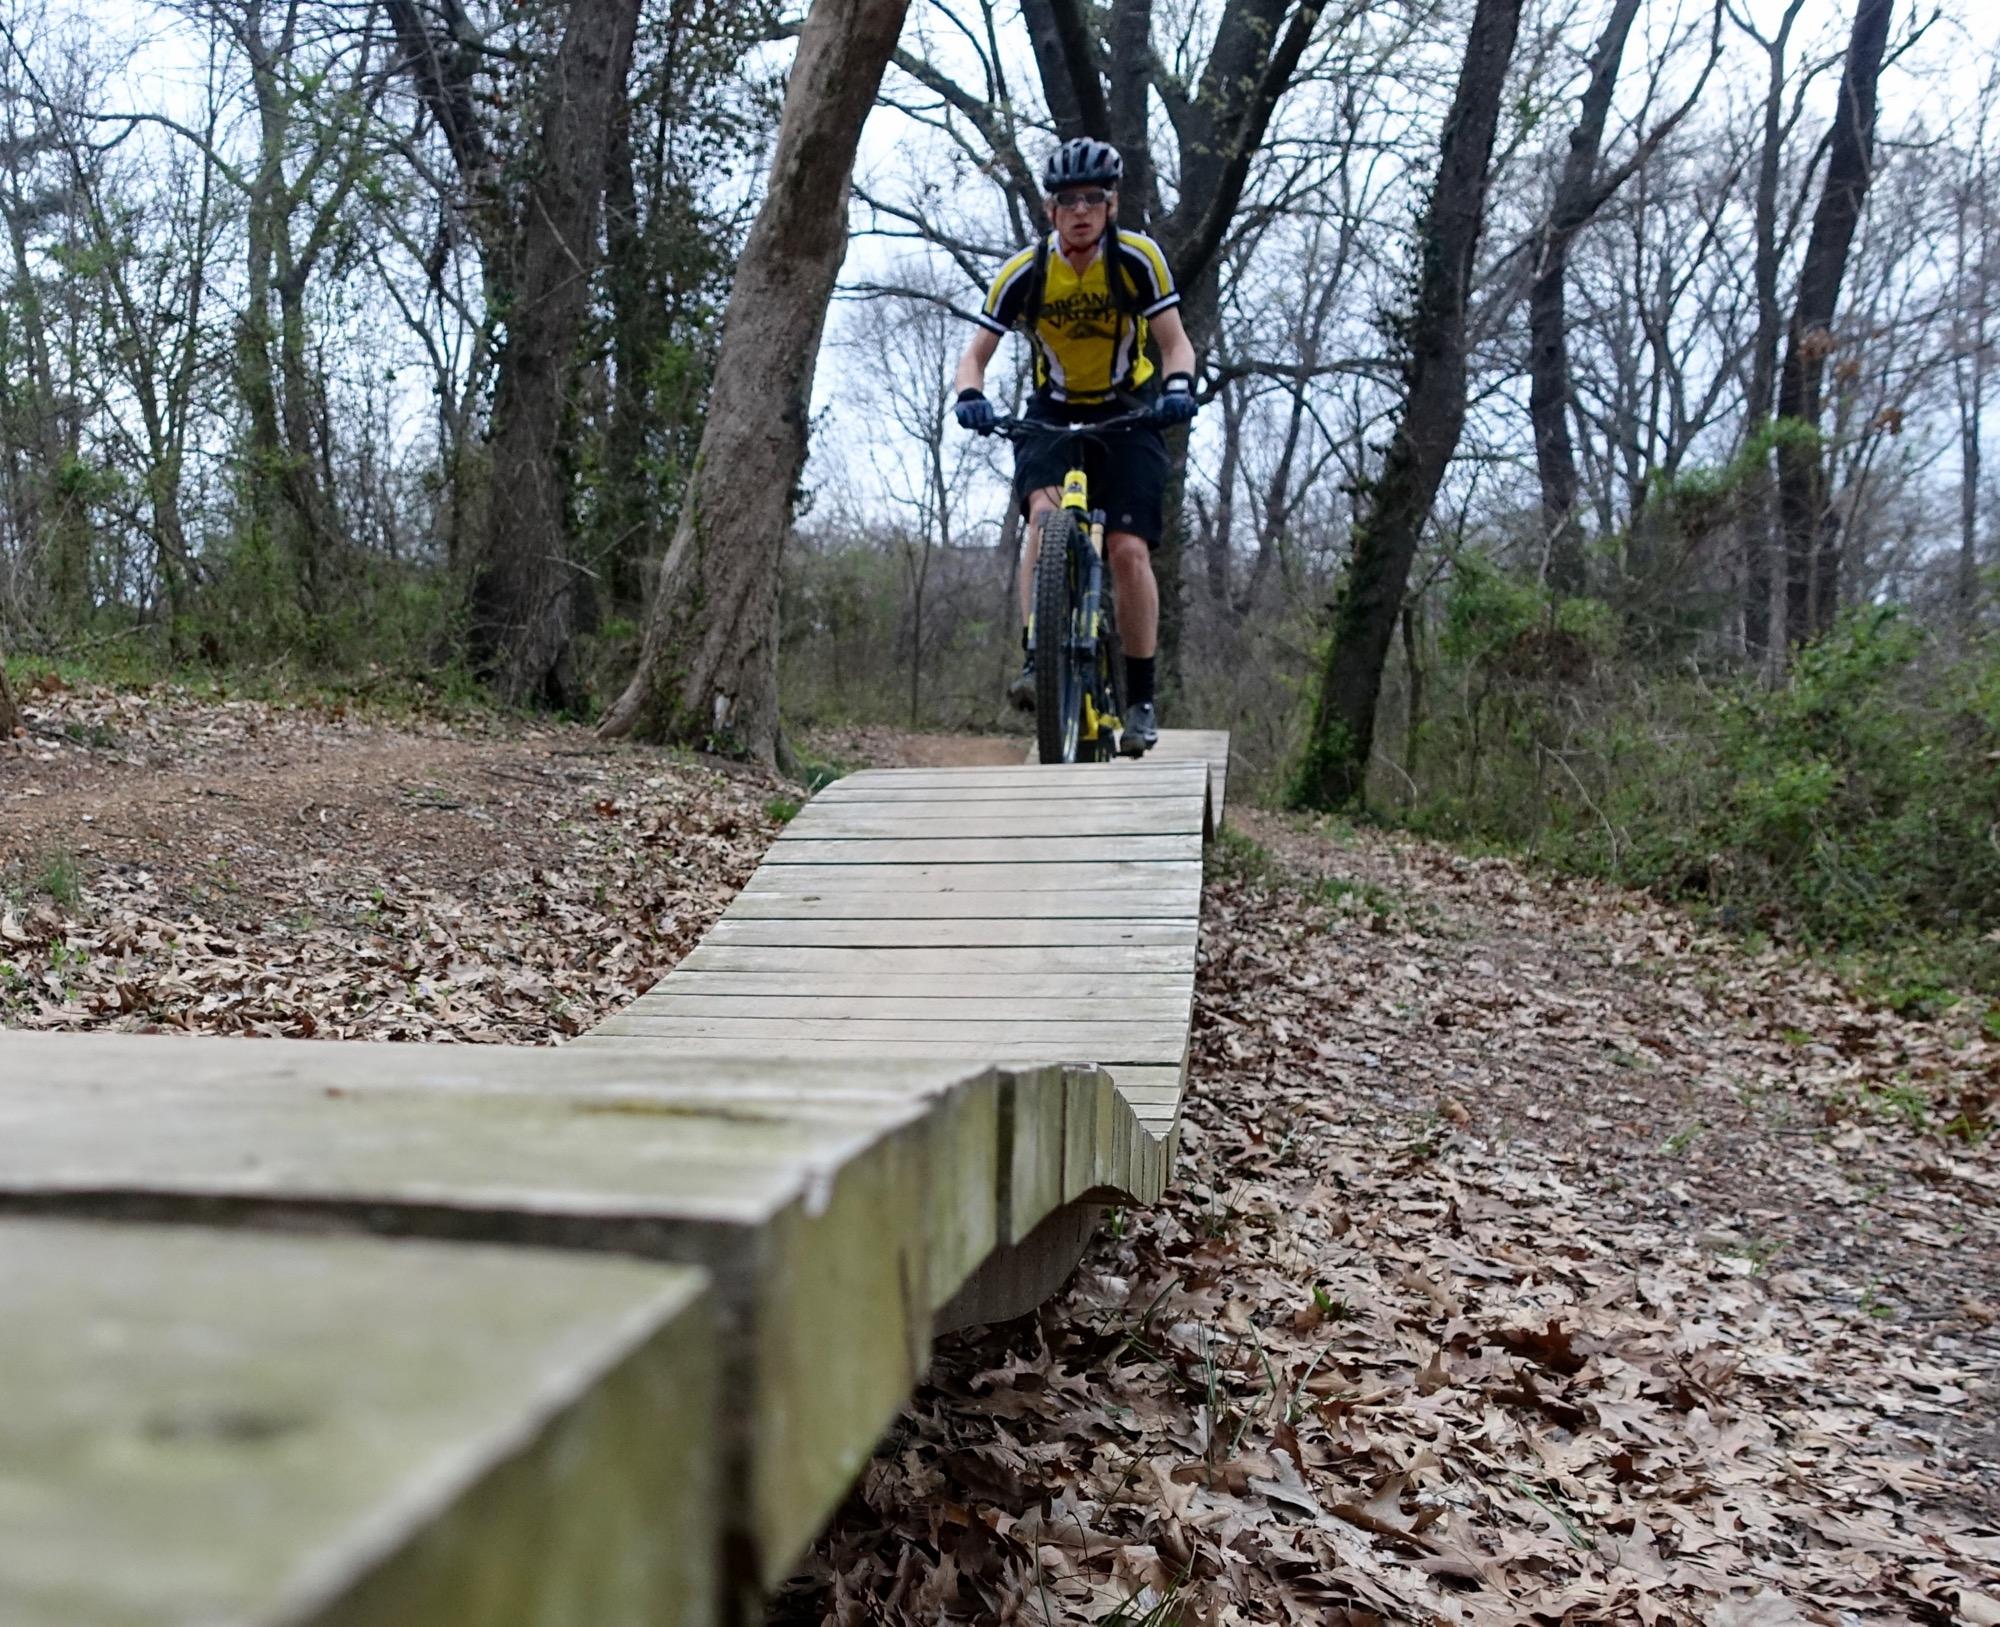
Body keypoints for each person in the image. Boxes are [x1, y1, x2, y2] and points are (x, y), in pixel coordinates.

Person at [951, 138, 1198, 754]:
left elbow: (1176, 344)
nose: (1081, 210)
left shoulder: (1137, 259)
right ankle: (1039, 656)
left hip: (1127, 412)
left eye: (1094, 198)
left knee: (1128, 551)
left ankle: (1140, 696)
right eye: (1069, 200)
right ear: (1050, 209)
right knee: (1044, 516)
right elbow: (975, 355)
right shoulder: (1026, 272)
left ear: (1111, 204)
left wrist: (1178, 388)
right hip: (1053, 414)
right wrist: (970, 396)